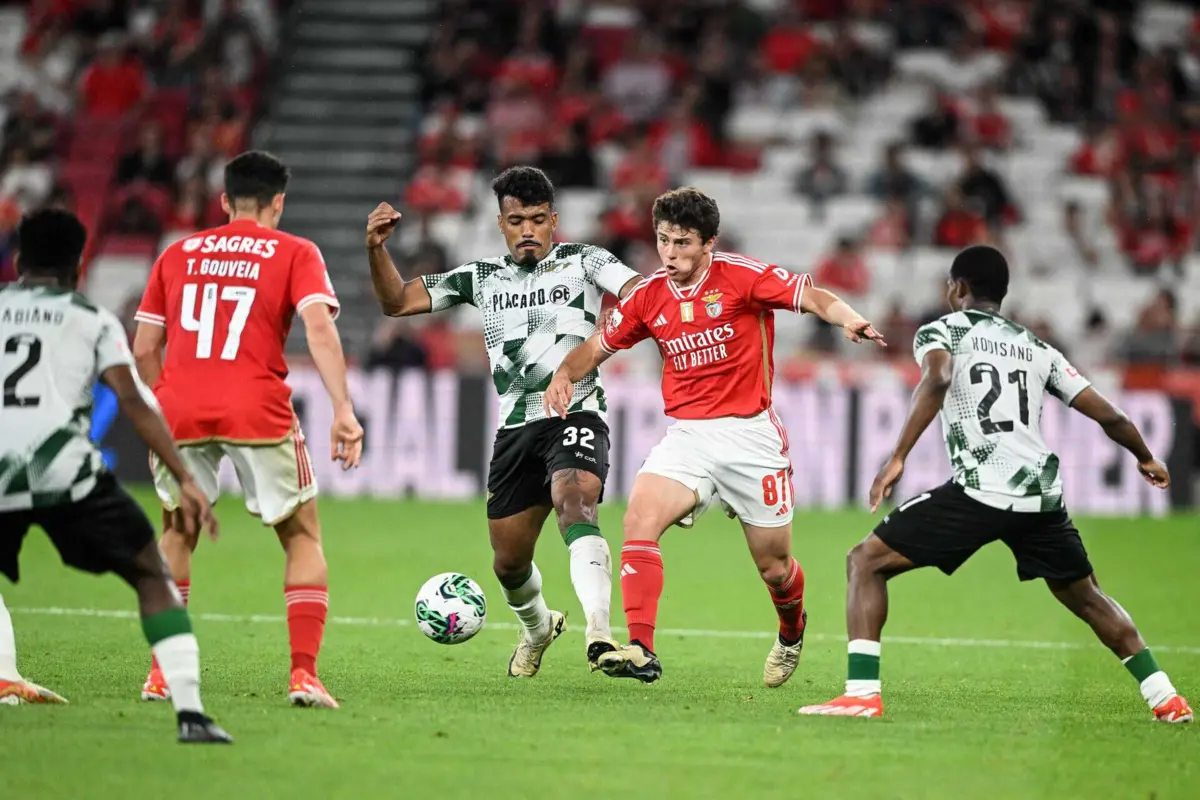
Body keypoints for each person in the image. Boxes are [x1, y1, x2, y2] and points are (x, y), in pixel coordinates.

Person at [798, 245, 1192, 723]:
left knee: (866, 561)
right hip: (1040, 496)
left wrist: (898, 455)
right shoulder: (1037, 347)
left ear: (957, 289)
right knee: (1087, 596)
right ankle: (1166, 698)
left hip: (981, 491)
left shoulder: (944, 330)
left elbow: (939, 377)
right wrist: (1146, 456)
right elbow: (1108, 413)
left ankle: (861, 694)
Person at [544, 187, 885, 685]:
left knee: (774, 567)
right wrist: (563, 374)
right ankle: (642, 648)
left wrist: (848, 318)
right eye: (662, 240)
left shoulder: (742, 277)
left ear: (709, 243)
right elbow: (597, 346)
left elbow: (811, 295)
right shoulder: (648, 295)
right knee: (639, 518)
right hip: (689, 437)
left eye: (682, 242)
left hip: (751, 439)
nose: (670, 253)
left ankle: (791, 631)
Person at [365, 166, 642, 677]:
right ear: (501, 224)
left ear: (554, 220)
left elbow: (645, 296)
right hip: (516, 428)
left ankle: (600, 634)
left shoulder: (586, 261)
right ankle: (538, 627)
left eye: (538, 219)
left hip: (576, 410)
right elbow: (397, 301)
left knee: (575, 503)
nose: (528, 230)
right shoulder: (481, 277)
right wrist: (376, 250)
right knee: (509, 563)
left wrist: (608, 336)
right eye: (517, 221)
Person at [133, 151, 363, 709]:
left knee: (177, 530)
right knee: (301, 535)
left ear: (223, 201)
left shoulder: (177, 253)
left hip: (178, 411)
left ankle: (162, 674)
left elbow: (143, 347)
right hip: (255, 407)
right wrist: (343, 410)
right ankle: (304, 675)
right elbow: (319, 330)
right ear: (278, 202)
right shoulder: (295, 252)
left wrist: (156, 410)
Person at [0, 209, 231, 742]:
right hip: (67, 476)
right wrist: (186, 478)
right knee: (152, 572)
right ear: (79, 267)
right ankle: (191, 713)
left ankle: (6, 672)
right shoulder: (90, 319)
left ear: (17, 261)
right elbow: (133, 399)